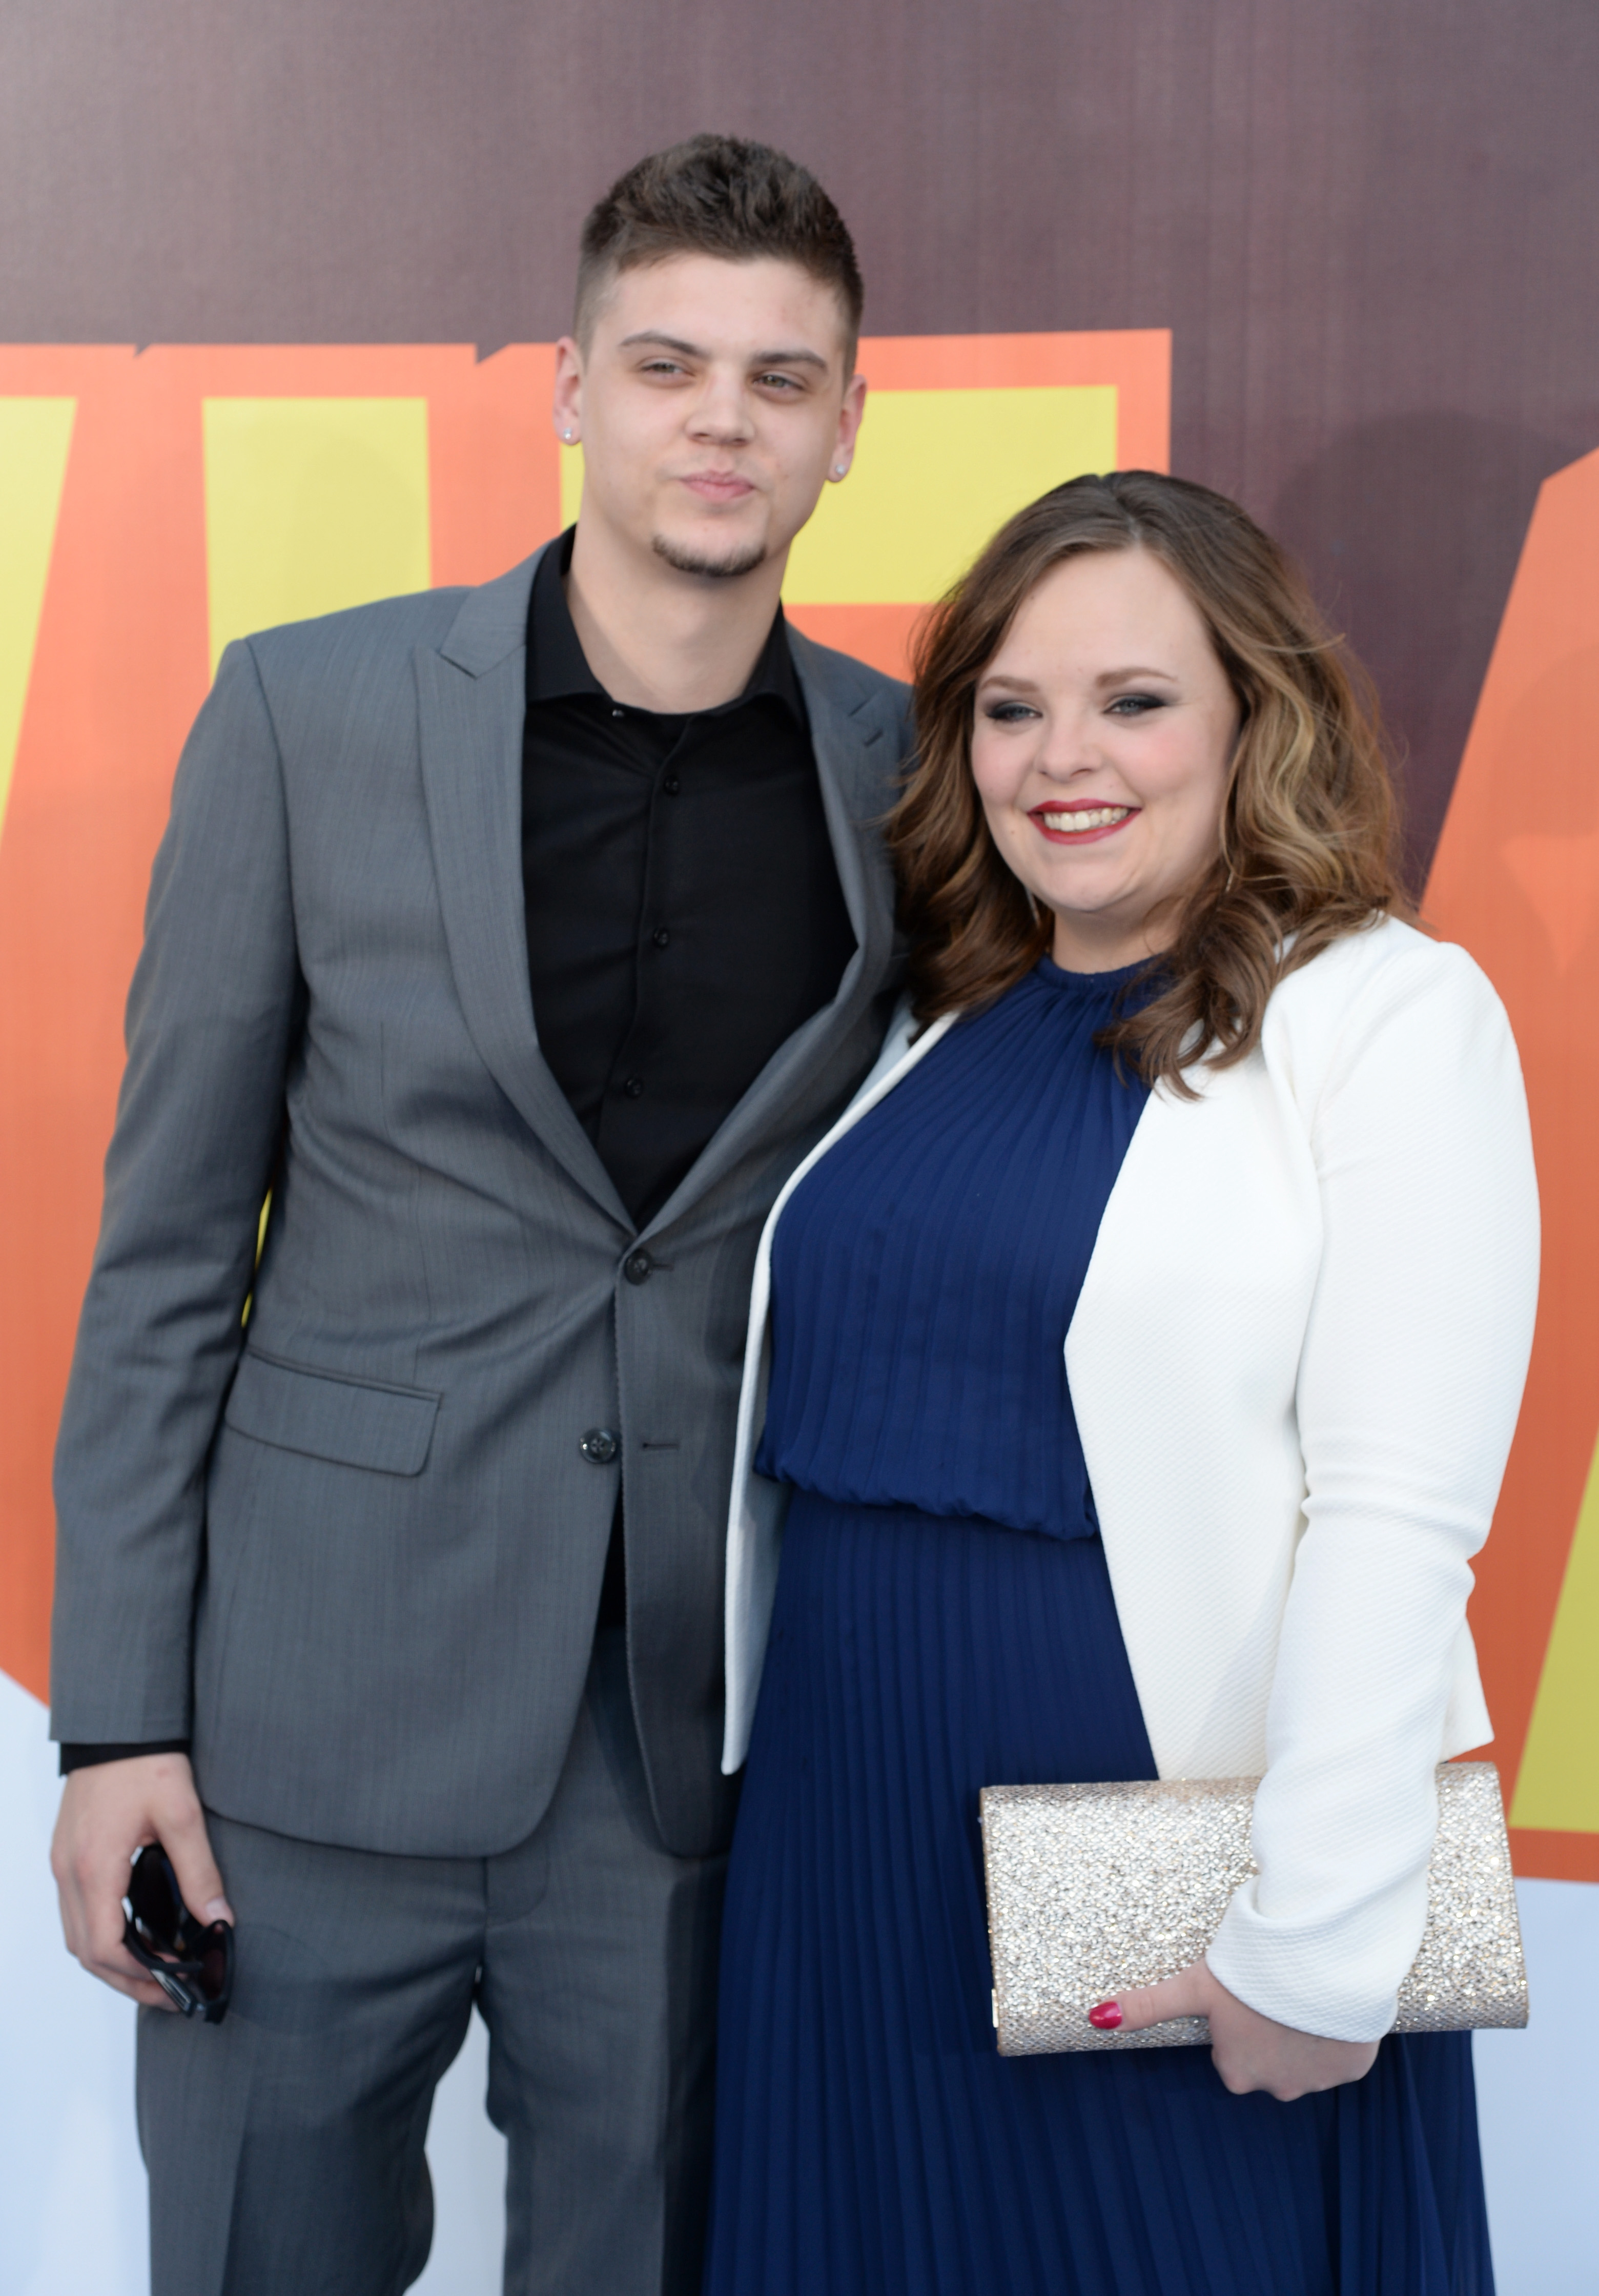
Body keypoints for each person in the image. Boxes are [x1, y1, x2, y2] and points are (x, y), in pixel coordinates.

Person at [48, 134, 908, 2296]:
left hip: (684, 1754)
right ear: (570, 388)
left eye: (780, 379)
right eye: (670, 363)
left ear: (848, 425)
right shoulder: (305, 712)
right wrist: (115, 1720)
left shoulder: (914, 777)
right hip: (303, 1728)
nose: (723, 418)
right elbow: (163, 1259)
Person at [705, 469, 1539, 2294]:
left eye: (1133, 701)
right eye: (1012, 706)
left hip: (1164, 1865)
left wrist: (1314, 1943)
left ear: (1259, 716)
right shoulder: (946, 1018)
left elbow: (1397, 1518)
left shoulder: (1384, 1015)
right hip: (842, 1847)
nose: (1060, 756)